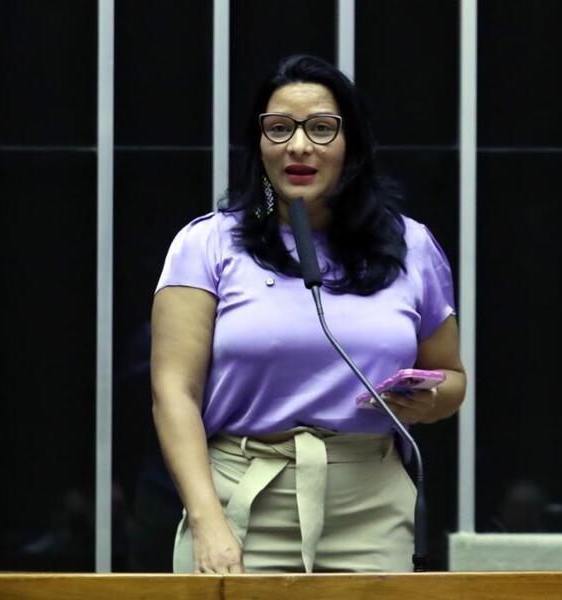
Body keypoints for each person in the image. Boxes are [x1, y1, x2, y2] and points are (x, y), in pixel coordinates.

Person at [151, 54, 466, 574]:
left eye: (322, 128)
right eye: (279, 129)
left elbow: (452, 378)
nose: (299, 145)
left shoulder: (410, 244)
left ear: (353, 146)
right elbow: (173, 393)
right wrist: (207, 519)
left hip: (371, 504)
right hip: (238, 499)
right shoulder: (207, 243)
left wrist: (426, 400)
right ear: (259, 146)